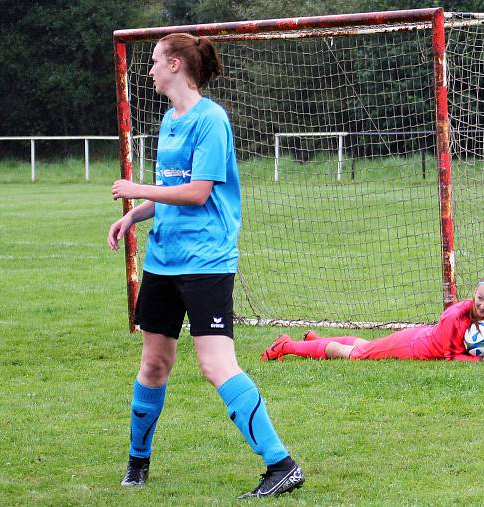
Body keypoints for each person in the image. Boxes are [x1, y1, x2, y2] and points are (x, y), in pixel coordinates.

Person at [107, 33, 303, 499]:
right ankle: (137, 464)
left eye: (154, 62)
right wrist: (134, 215)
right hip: (163, 260)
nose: (149, 69)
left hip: (206, 261)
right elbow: (170, 190)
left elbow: (197, 192)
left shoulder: (211, 120)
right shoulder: (168, 120)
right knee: (153, 364)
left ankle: (282, 464)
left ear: (175, 64)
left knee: (216, 365)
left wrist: (139, 191)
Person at [261, 276, 484, 362]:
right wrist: (478, 361)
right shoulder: (454, 315)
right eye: (480, 298)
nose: (483, 305)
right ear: (474, 293)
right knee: (356, 355)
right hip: (414, 346)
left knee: (364, 346)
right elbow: (449, 356)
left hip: (419, 340)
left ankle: (316, 341)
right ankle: (286, 346)